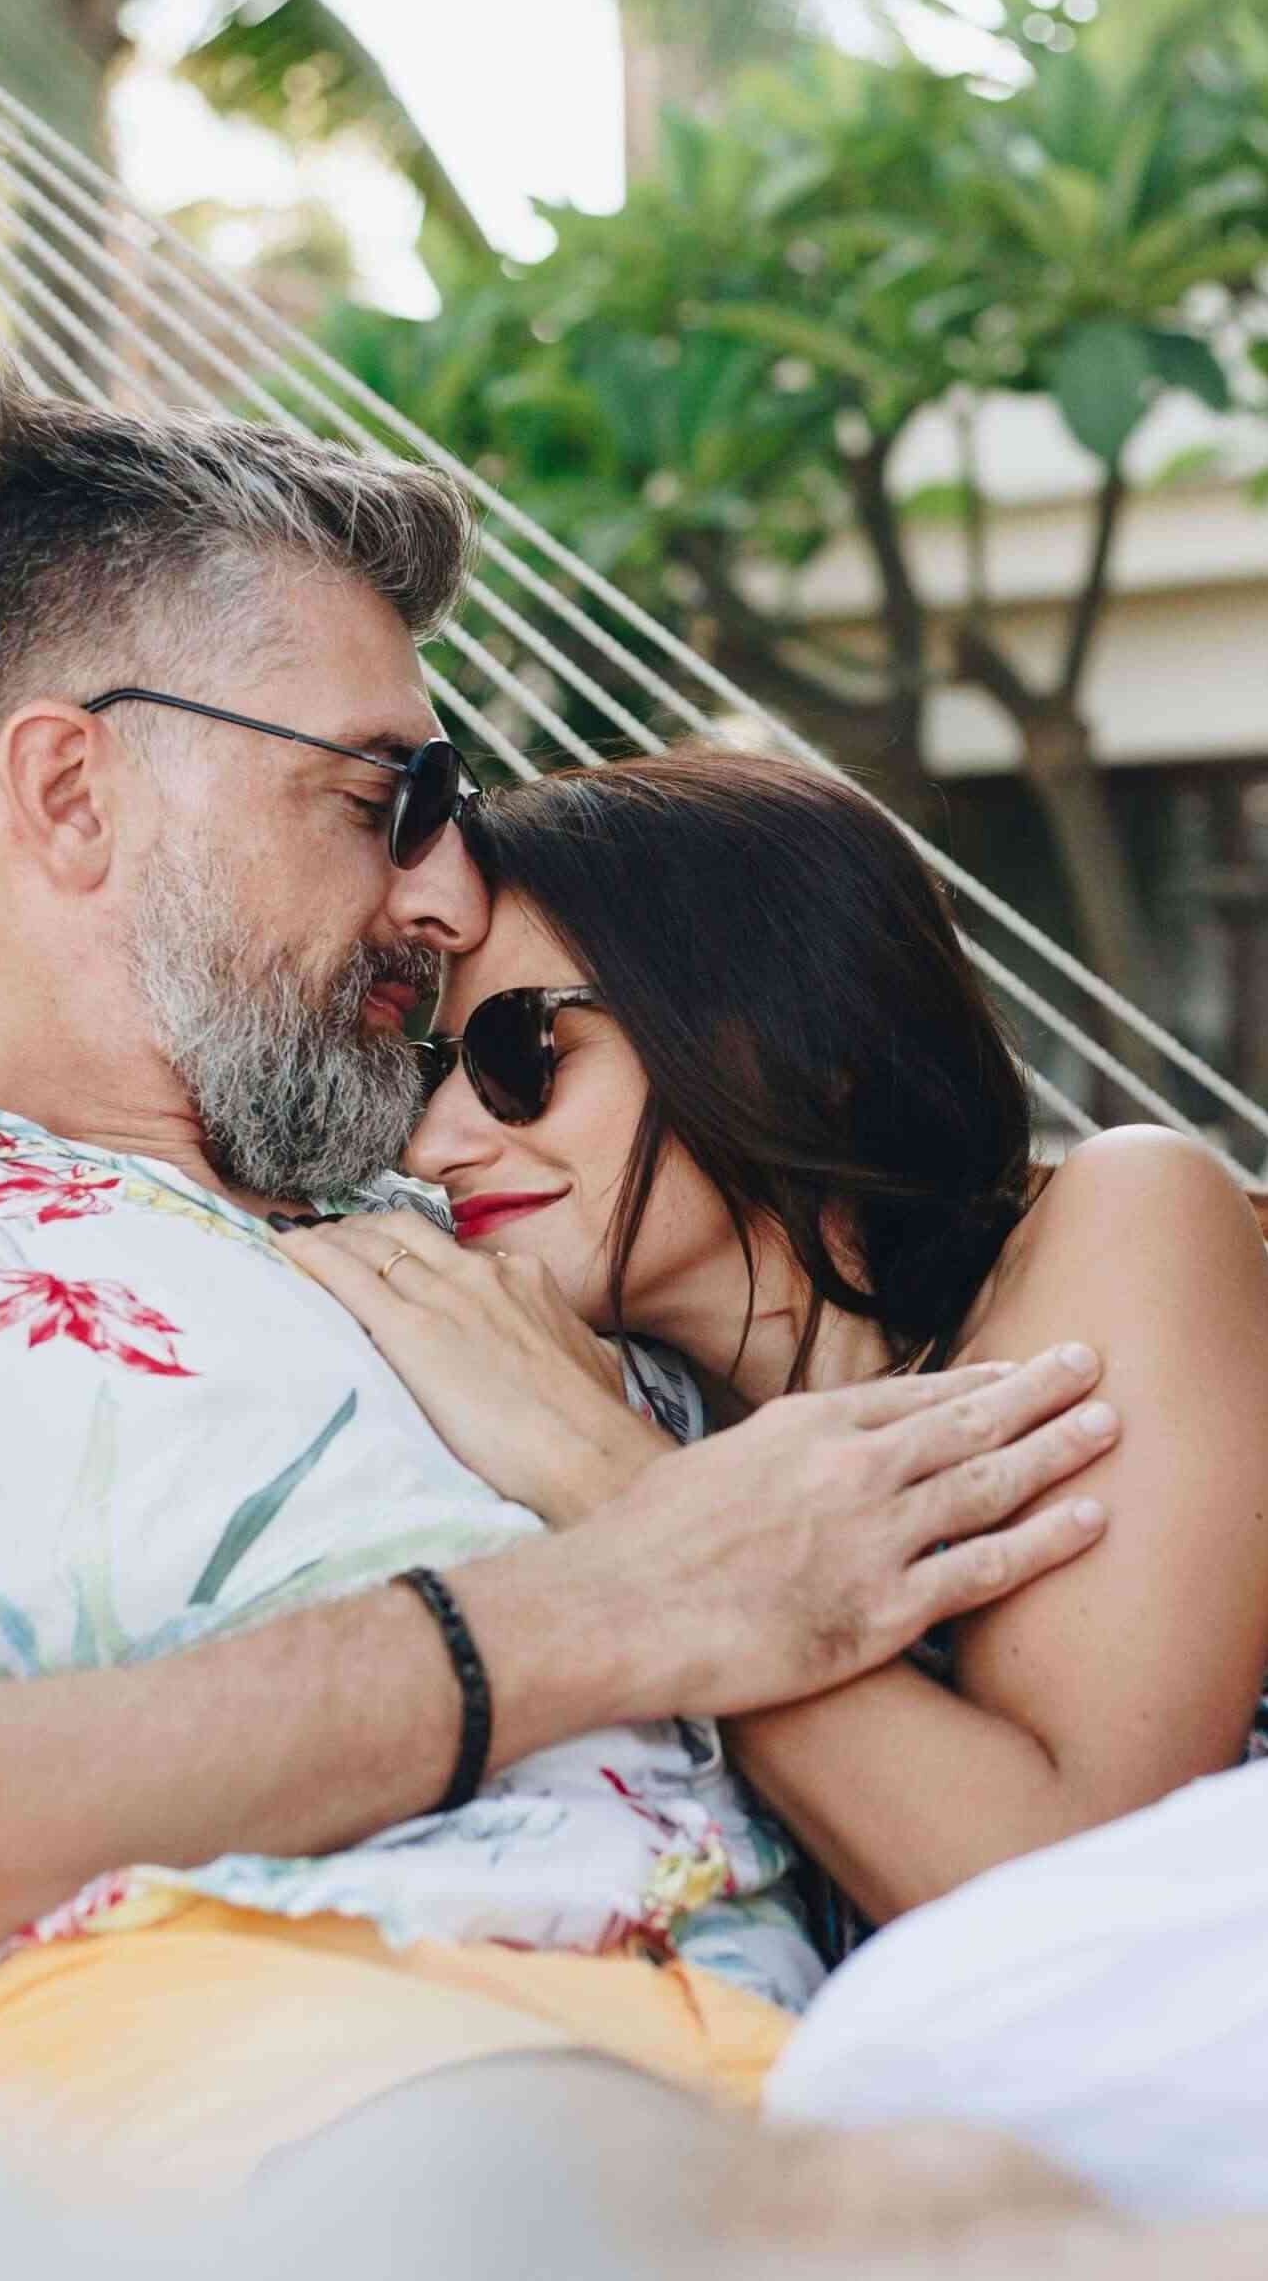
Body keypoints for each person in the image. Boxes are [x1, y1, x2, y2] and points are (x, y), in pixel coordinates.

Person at [0, 396, 1116, 2213]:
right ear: (68, 792)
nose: (449, 887)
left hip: (817, 2095)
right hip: (246, 2079)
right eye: (384, 794)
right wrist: (590, 1605)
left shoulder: (520, 1232)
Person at [276, 748, 1268, 1939]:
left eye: (517, 1055)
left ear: (783, 1026)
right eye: (433, 1074)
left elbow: (1075, 1912)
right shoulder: (675, 1407)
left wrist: (602, 1474)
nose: (435, 1142)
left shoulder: (1123, 1214)